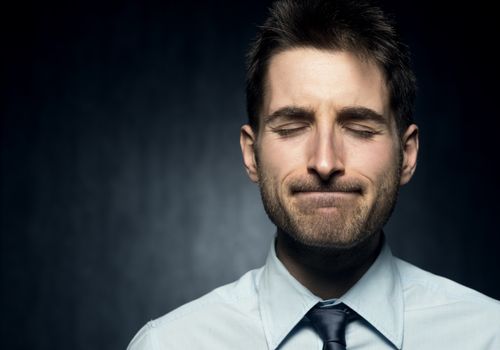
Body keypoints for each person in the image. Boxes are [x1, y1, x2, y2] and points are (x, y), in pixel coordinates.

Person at [128, 0, 500, 348]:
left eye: (359, 128)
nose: (324, 163)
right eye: (292, 127)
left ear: (407, 155)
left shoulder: (488, 335)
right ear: (251, 154)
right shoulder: (170, 343)